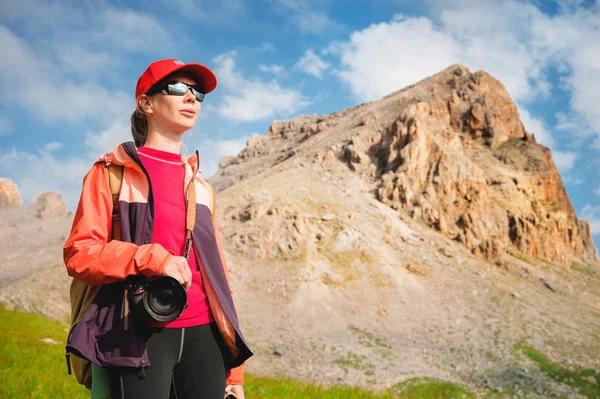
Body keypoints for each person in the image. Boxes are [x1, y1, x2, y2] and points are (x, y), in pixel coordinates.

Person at [64, 59, 252, 399]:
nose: (191, 98)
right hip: (134, 330)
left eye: (197, 93)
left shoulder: (202, 188)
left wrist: (234, 372)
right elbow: (80, 254)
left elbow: (219, 279)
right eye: (178, 89)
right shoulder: (111, 173)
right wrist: (151, 258)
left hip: (205, 336)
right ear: (146, 103)